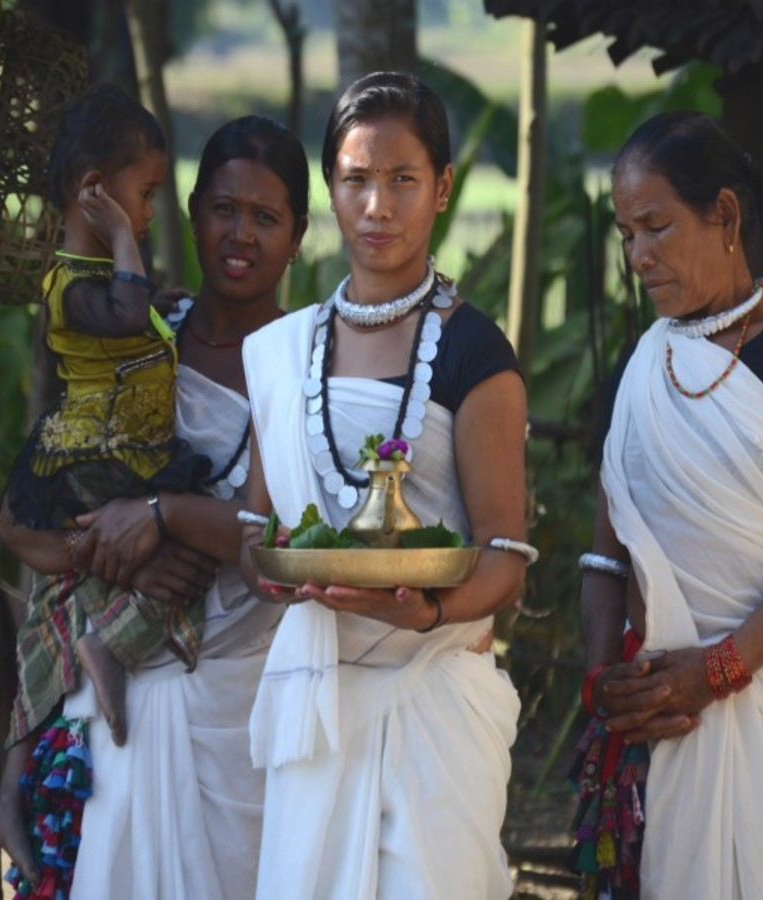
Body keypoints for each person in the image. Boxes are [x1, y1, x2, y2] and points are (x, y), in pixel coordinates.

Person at [0, 114, 309, 899]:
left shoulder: (307, 366)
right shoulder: (138, 339)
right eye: (223, 209)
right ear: (190, 212)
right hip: (115, 689)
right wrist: (118, 556)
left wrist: (163, 517)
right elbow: (20, 524)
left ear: (298, 237)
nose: (240, 234)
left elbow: (289, 541)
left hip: (237, 698)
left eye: (265, 217)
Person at [573, 110, 763, 899]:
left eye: (656, 227)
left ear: (725, 216)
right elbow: (607, 557)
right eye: (627, 235)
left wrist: (717, 671)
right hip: (660, 720)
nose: (638, 257)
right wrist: (604, 680)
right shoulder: (637, 374)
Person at [238, 71, 532, 900]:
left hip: (435, 702)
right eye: (356, 179)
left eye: (402, 179)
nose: (377, 206)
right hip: (318, 708)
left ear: (442, 188)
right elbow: (254, 527)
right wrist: (270, 569)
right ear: (329, 189)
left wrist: (429, 611)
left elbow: (506, 555)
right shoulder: (286, 352)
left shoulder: (474, 352)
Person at [0, 81, 210, 886]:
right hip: (99, 456)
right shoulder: (74, 283)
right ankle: (111, 645)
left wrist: (151, 290)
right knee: (190, 550)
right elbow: (124, 314)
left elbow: (136, 322)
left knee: (49, 612)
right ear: (95, 192)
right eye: (142, 196)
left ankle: (7, 791)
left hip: (107, 452)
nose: (148, 214)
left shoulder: (108, 282)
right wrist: (120, 242)